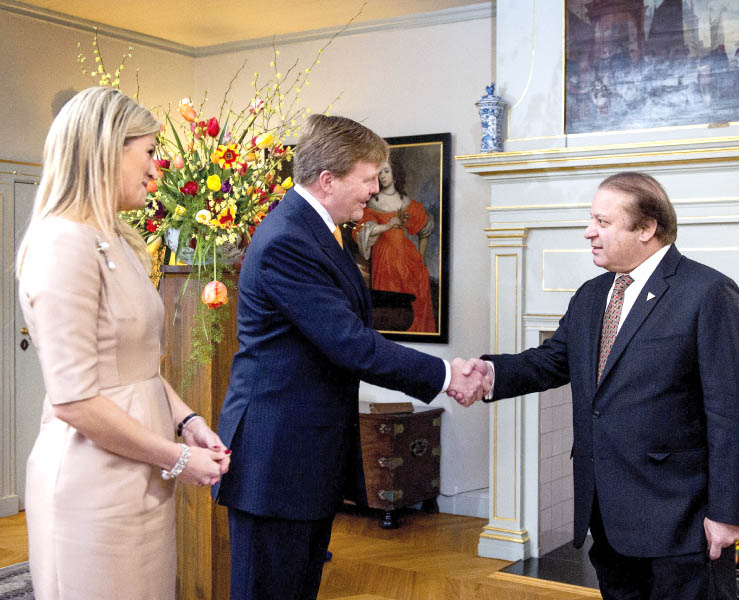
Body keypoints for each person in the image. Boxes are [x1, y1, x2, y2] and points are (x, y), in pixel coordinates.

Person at [213, 114, 486, 600]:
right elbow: (350, 343)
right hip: (276, 461)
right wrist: (445, 374)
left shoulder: (320, 232)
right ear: (328, 180)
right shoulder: (288, 241)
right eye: (367, 179)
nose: (374, 190)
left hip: (302, 458)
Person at [458, 172, 739, 599]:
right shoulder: (592, 294)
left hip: (681, 520)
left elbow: (736, 413)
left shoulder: (708, 292)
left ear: (646, 228)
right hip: (608, 515)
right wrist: (490, 375)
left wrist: (729, 513)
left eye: (603, 222)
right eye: (591, 220)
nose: (589, 232)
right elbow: (551, 360)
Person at [15, 86, 231, 600]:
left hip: (139, 473)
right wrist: (175, 458)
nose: (157, 170)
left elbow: (139, 369)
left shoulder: (118, 238)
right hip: (94, 482)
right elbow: (73, 400)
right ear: (108, 148)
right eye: (150, 151)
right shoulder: (62, 242)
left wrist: (188, 422)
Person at [352, 155, 436, 332]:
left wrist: (421, 259)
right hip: (385, 263)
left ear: (395, 174)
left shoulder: (407, 203)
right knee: (390, 313)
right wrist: (387, 226)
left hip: (409, 262)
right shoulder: (371, 204)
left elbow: (425, 227)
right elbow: (364, 230)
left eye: (386, 171)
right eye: (379, 173)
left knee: (413, 307)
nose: (382, 176)